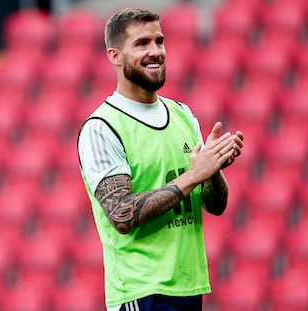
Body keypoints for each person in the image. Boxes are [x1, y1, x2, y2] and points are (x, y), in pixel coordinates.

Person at [77, 7, 244, 311]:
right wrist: (194, 175)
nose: (155, 51)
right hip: (141, 291)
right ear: (115, 56)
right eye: (142, 43)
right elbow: (122, 215)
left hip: (189, 285)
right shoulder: (102, 127)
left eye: (159, 41)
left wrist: (213, 170)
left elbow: (215, 206)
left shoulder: (183, 115)